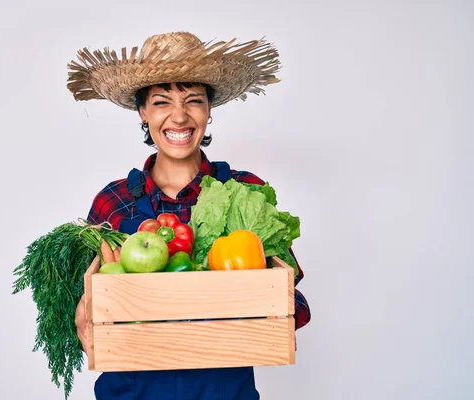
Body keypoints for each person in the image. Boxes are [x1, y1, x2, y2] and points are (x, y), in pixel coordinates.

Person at [68, 31, 311, 400]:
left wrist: (272, 307)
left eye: (193, 101)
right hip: (131, 392)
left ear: (209, 110)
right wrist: (82, 312)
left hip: (224, 391)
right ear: (142, 112)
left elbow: (292, 297)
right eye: (162, 101)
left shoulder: (245, 192)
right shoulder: (112, 202)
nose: (179, 116)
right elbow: (86, 301)